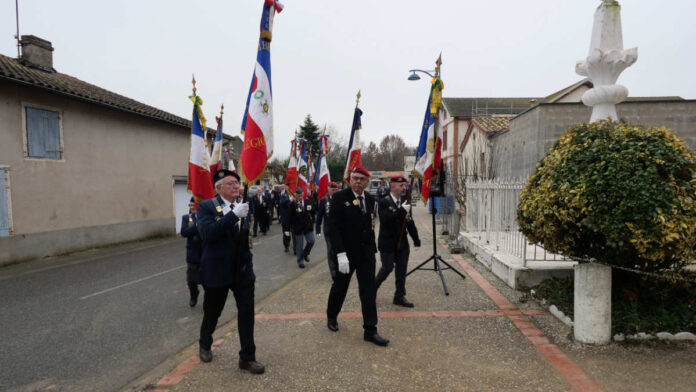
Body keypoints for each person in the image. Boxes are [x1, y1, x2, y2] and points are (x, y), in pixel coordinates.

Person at [196, 169, 264, 374]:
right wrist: (233, 215)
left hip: (242, 271)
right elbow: (208, 235)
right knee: (212, 312)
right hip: (217, 271)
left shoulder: (243, 205)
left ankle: (247, 357)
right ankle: (205, 343)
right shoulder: (207, 207)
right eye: (231, 183)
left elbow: (244, 239)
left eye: (238, 183)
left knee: (246, 313)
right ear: (219, 188)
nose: (237, 186)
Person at [326, 166, 389, 346]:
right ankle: (331, 316)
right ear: (349, 180)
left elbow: (369, 225)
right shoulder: (339, 198)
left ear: (367, 182)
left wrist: (373, 251)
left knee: (368, 291)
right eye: (355, 178)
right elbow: (334, 229)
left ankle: (370, 329)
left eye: (362, 179)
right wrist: (340, 254)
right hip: (346, 254)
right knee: (340, 287)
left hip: (366, 254)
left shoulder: (370, 199)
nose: (358, 181)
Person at [375, 176, 421, 307]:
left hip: (402, 243)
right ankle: (372, 289)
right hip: (387, 242)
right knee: (387, 268)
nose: (404, 188)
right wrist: (402, 211)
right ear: (392, 185)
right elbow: (386, 220)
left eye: (405, 185)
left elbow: (409, 222)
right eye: (401, 185)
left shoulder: (405, 202)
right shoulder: (383, 201)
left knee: (401, 270)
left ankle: (399, 296)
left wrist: (416, 239)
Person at [180, 197, 202, 307]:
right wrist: (197, 226)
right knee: (191, 280)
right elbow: (184, 232)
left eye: (194, 205)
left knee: (207, 281)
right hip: (192, 254)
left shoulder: (206, 217)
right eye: (190, 205)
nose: (191, 207)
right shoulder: (186, 218)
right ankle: (194, 294)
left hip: (205, 253)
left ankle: (209, 302)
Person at [315, 181, 339, 279]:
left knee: (338, 250)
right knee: (330, 250)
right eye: (332, 190)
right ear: (328, 190)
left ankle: (338, 268)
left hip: (338, 230)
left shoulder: (339, 200)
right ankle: (333, 272)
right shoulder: (324, 201)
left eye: (336, 190)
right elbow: (319, 216)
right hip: (328, 230)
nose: (334, 192)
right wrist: (317, 230)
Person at [289, 187, 315, 268]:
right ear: (295, 196)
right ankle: (300, 261)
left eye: (301, 195)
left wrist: (312, 209)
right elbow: (289, 217)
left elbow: (314, 211)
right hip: (298, 227)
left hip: (307, 226)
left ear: (303, 195)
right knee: (299, 246)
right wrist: (287, 228)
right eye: (298, 196)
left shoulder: (308, 201)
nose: (300, 197)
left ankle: (305, 253)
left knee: (311, 241)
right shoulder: (292, 204)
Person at [278, 185, 293, 252]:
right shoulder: (283, 195)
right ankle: (286, 246)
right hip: (285, 217)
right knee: (285, 232)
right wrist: (288, 199)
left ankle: (292, 245)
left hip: (291, 217)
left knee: (291, 232)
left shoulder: (292, 194)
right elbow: (281, 202)